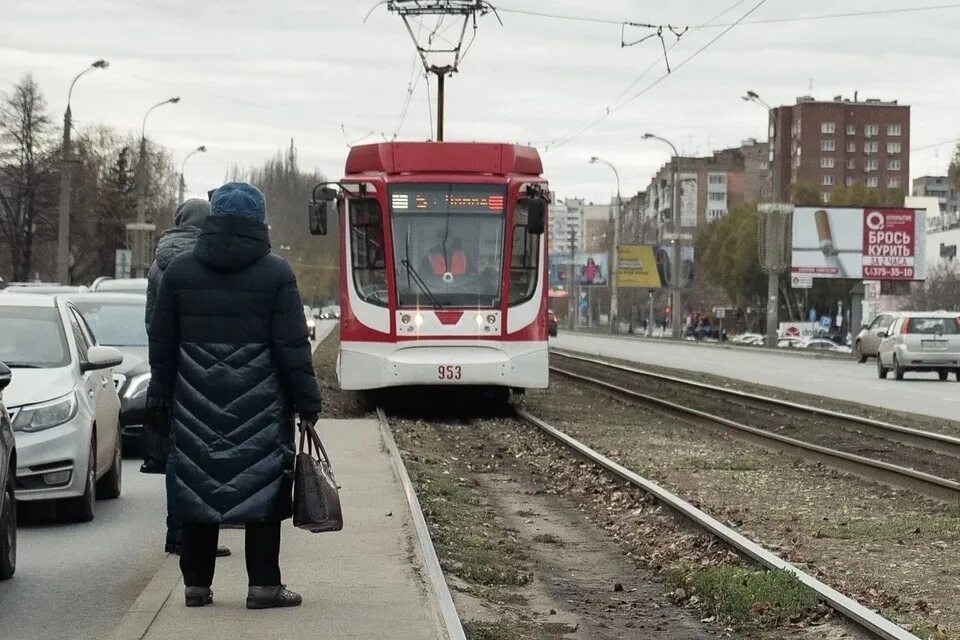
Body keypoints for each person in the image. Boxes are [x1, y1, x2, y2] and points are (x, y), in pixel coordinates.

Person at [145, 182, 322, 609]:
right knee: (262, 490)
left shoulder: (180, 272)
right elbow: (293, 346)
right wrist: (308, 401)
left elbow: (161, 344)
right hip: (260, 407)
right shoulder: (276, 273)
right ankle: (263, 586)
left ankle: (196, 587)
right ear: (259, 223)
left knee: (198, 486)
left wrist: (161, 395)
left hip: (193, 404)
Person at [143, 198, 231, 559]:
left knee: (177, 452)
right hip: (203, 369)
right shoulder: (205, 261)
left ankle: (175, 533)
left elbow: (153, 323)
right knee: (204, 453)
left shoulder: (157, 264)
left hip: (171, 369)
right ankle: (196, 534)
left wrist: (162, 369)